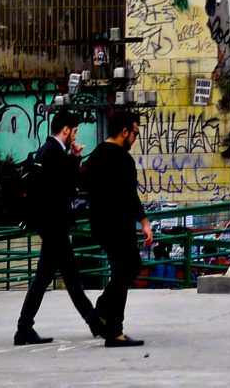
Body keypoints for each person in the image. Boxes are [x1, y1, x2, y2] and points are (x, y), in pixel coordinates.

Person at [13, 111, 103, 346]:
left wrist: (72, 158)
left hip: (50, 224)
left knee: (52, 277)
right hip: (55, 225)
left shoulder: (47, 150)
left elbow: (60, 183)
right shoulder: (54, 153)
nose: (75, 136)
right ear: (65, 130)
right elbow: (68, 185)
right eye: (74, 132)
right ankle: (94, 322)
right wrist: (74, 160)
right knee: (64, 278)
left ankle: (25, 327)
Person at [82, 111, 153, 348]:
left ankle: (111, 326)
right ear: (124, 132)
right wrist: (144, 222)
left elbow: (84, 186)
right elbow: (129, 195)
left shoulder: (95, 156)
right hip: (119, 225)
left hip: (100, 225)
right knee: (129, 268)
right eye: (134, 133)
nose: (135, 138)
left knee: (121, 271)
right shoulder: (123, 160)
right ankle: (105, 317)